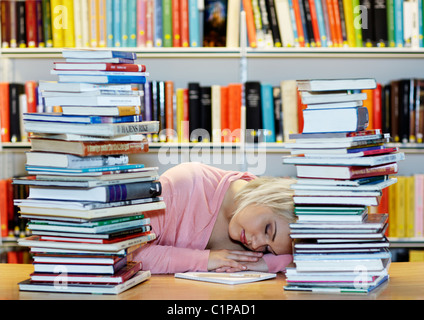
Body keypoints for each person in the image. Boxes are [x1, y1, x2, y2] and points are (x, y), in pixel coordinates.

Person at [133, 162, 296, 274]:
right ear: (267, 194)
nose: (257, 244)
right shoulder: (183, 185)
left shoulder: (257, 230)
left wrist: (262, 264)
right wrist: (204, 259)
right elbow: (130, 255)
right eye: (267, 229)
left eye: (267, 249)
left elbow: (296, 258)